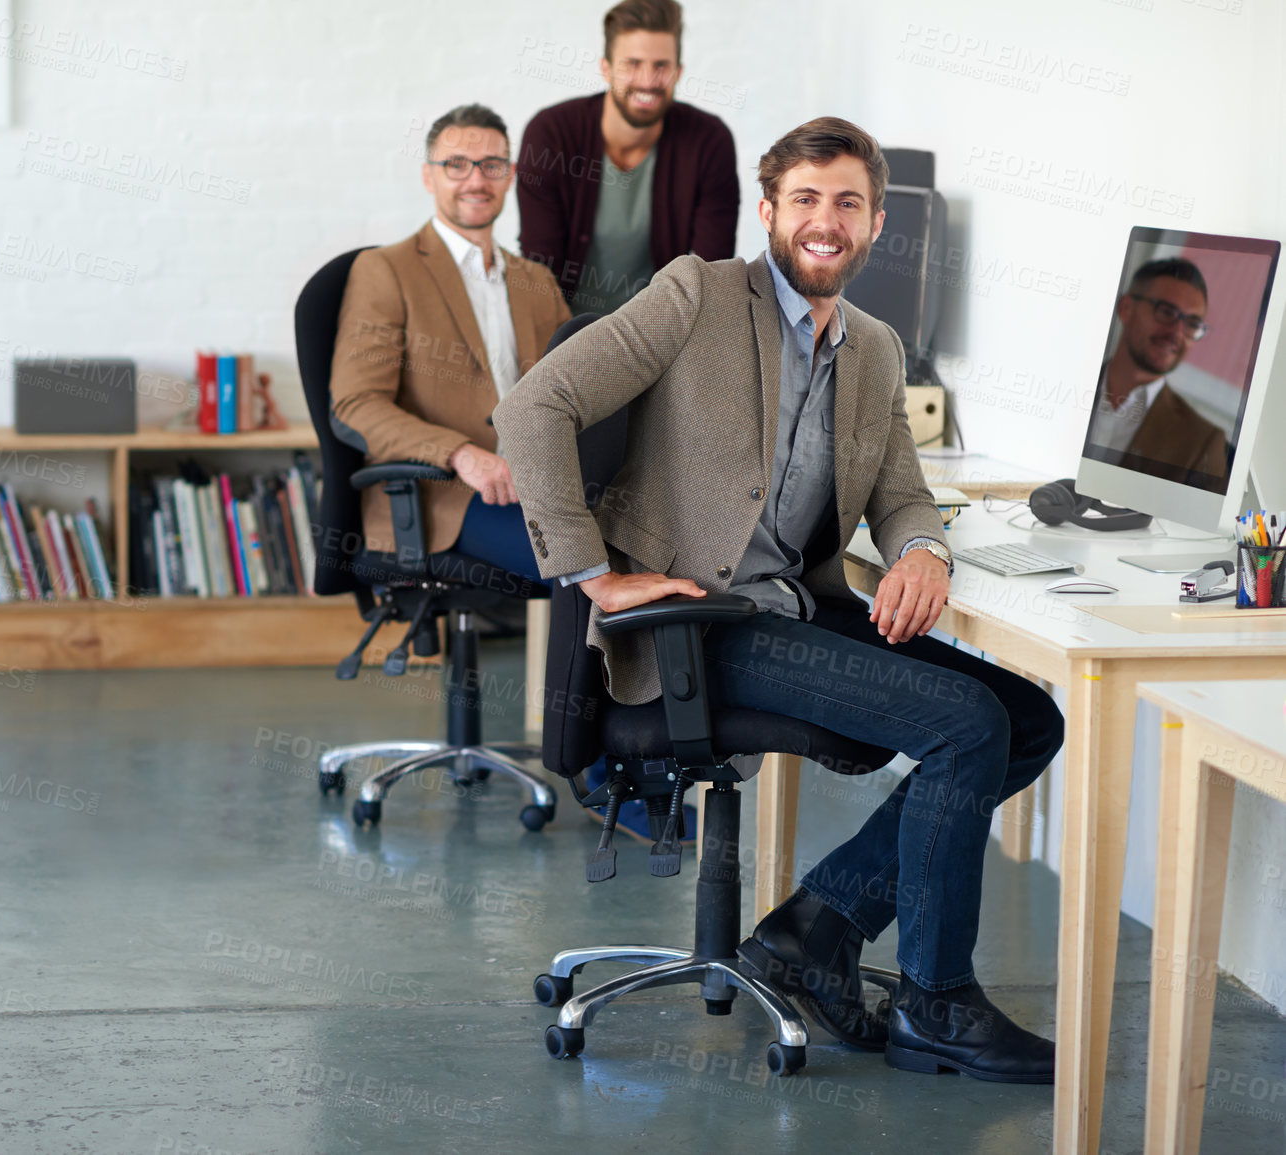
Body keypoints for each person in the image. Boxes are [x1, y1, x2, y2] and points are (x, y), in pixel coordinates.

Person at [494, 117, 1064, 1083]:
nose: (824, 221)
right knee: (965, 723)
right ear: (768, 211)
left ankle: (813, 929)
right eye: (804, 199)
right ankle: (934, 1000)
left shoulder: (874, 348)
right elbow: (530, 407)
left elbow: (898, 491)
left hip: (797, 611)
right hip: (698, 625)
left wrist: (922, 550)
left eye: (847, 202)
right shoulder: (696, 295)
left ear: (876, 222)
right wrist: (592, 573)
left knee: (1026, 717)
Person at [331, 104, 573, 581]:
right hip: (443, 496)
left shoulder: (536, 281)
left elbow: (578, 386)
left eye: (491, 166)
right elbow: (357, 403)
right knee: (580, 568)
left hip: (540, 489)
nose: (475, 180)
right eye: (456, 165)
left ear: (510, 176)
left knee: (655, 545)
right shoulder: (387, 271)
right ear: (429, 176)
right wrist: (461, 454)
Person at [516, 0, 739, 316]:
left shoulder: (708, 142)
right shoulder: (551, 135)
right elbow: (539, 270)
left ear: (678, 72)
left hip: (662, 337)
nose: (647, 81)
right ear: (605, 68)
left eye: (661, 66)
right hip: (563, 335)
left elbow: (712, 273)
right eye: (632, 64)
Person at [1088, 257, 1229, 483]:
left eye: (1192, 324)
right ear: (1126, 308)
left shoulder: (1203, 441)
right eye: (1166, 312)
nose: (1176, 333)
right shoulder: (1067, 381)